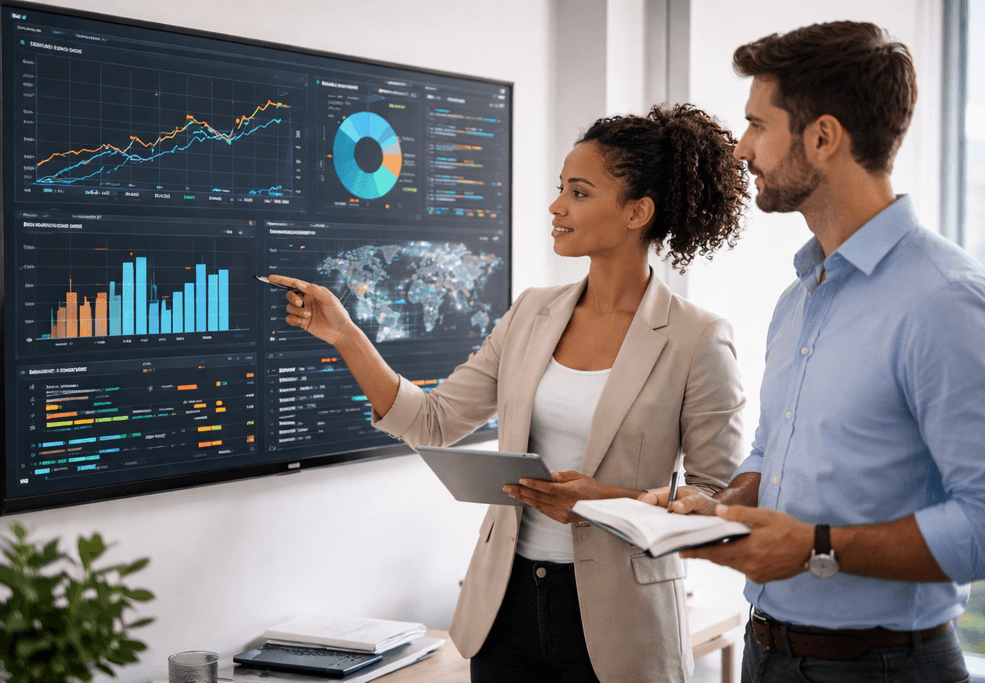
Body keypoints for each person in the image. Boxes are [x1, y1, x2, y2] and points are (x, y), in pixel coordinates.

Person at [270, 102, 749, 683]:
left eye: (578, 192)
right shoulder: (531, 313)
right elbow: (434, 420)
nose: (556, 206)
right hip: (508, 608)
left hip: (621, 625)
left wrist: (604, 501)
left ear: (637, 211)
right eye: (560, 189)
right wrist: (345, 335)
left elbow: (716, 501)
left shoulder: (698, 338)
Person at [641, 21, 985, 683]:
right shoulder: (799, 298)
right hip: (768, 653)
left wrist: (816, 548)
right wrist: (721, 503)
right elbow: (772, 453)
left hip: (885, 666)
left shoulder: (945, 301)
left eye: (756, 124)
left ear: (823, 137)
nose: (742, 148)